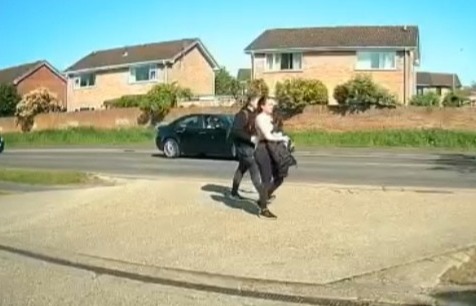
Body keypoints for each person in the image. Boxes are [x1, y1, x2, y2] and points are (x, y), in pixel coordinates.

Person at [229, 95, 272, 218]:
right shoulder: (242, 114)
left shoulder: (254, 113)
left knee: (241, 168)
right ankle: (263, 207)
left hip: (251, 148)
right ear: (251, 102)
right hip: (245, 149)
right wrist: (251, 138)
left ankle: (233, 192)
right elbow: (235, 131)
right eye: (257, 101)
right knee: (256, 177)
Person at [254, 96, 293, 219]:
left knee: (280, 177)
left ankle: (263, 198)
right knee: (266, 179)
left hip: (274, 149)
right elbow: (268, 136)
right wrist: (282, 138)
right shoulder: (260, 118)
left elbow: (277, 132)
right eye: (269, 104)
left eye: (272, 104)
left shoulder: (271, 117)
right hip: (263, 149)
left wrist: (286, 139)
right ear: (262, 106)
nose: (272, 106)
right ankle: (263, 209)